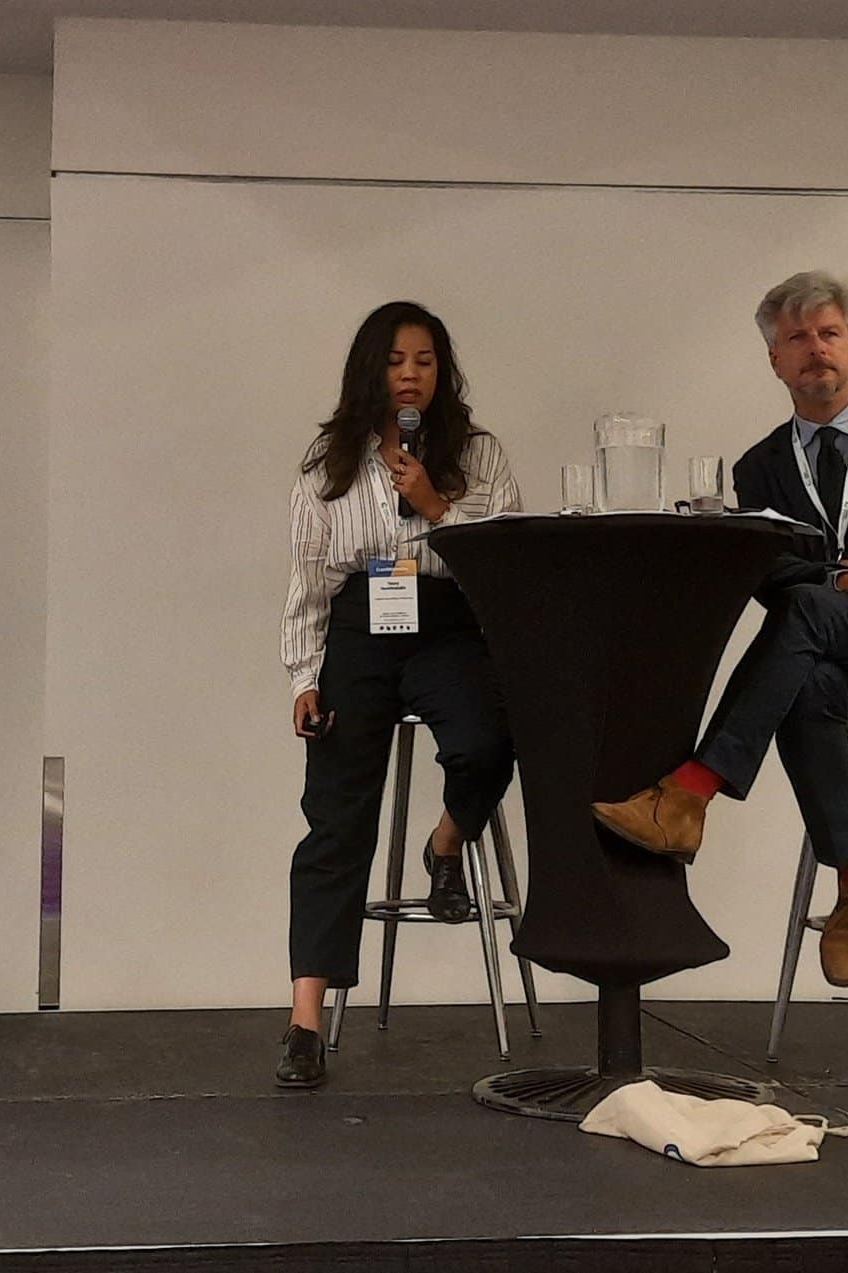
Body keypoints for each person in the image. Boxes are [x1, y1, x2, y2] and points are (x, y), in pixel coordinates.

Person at [591, 270, 848, 988]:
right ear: (776, 360)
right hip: (837, 653)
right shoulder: (759, 467)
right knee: (804, 680)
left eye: (828, 333)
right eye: (797, 338)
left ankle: (690, 791)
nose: (815, 348)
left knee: (807, 616)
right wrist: (844, 582)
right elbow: (771, 576)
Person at [276, 300, 522, 1088]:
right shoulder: (331, 459)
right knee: (336, 812)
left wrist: (437, 507)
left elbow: (510, 557)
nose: (409, 374)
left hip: (448, 622)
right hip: (360, 627)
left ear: (441, 370)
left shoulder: (476, 453)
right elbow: (309, 575)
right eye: (393, 361)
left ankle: (445, 843)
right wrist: (304, 676)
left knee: (489, 740)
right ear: (369, 372)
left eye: (423, 359)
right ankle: (304, 1019)